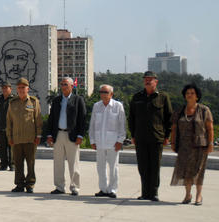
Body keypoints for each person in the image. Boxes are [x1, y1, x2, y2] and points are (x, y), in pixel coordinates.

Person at [128, 71, 173, 201]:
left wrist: (167, 136)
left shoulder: (163, 97)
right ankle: (144, 193)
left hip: (156, 137)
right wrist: (133, 134)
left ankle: (154, 193)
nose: (147, 81)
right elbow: (131, 117)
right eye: (146, 79)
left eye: (150, 79)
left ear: (156, 81)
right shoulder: (137, 97)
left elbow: (169, 117)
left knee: (155, 166)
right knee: (142, 166)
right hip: (140, 137)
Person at [170, 84, 213, 206]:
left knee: (198, 171)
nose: (189, 95)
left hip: (200, 145)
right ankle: (188, 194)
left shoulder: (204, 110)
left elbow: (210, 129)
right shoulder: (179, 111)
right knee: (186, 171)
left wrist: (210, 143)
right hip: (184, 146)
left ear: (197, 96)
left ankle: (199, 195)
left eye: (192, 93)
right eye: (187, 93)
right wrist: (173, 142)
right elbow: (174, 128)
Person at [46, 77, 86, 196]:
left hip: (72, 135)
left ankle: (75, 187)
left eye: (66, 84)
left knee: (73, 163)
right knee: (58, 162)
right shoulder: (57, 100)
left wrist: (80, 135)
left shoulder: (78, 100)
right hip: (58, 134)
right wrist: (49, 135)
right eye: (62, 84)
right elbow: (51, 118)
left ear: (71, 86)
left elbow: (82, 119)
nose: (63, 86)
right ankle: (59, 187)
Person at [88, 84, 126, 198]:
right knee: (100, 167)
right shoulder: (96, 106)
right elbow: (92, 124)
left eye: (105, 92)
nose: (102, 94)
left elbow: (122, 125)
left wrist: (120, 140)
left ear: (111, 94)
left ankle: (112, 189)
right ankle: (103, 189)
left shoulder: (117, 106)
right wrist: (92, 140)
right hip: (99, 142)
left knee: (113, 167)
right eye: (101, 92)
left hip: (113, 142)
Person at [7, 78, 42, 193]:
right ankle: (19, 184)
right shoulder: (12, 103)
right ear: (17, 89)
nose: (21, 90)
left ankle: (30, 184)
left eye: (23, 87)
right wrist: (9, 137)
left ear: (28, 88)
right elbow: (9, 122)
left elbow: (38, 120)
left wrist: (38, 136)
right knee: (18, 163)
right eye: (19, 88)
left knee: (30, 163)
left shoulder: (33, 102)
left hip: (30, 138)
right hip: (16, 138)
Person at [0, 82, 15, 171]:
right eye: (3, 88)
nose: (4, 89)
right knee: (2, 148)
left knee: (12, 148)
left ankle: (12, 165)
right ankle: (3, 165)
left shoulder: (14, 99)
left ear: (10, 89)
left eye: (6, 88)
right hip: (0, 127)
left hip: (11, 128)